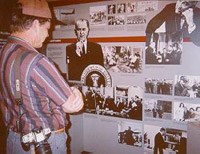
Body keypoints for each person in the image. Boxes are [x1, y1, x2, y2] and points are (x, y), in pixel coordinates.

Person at [0, 0, 84, 154]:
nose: (48, 35)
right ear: (36, 24)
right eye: (47, 28)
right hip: (44, 144)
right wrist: (76, 91)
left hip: (14, 140)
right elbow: (72, 105)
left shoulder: (4, 52)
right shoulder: (37, 61)